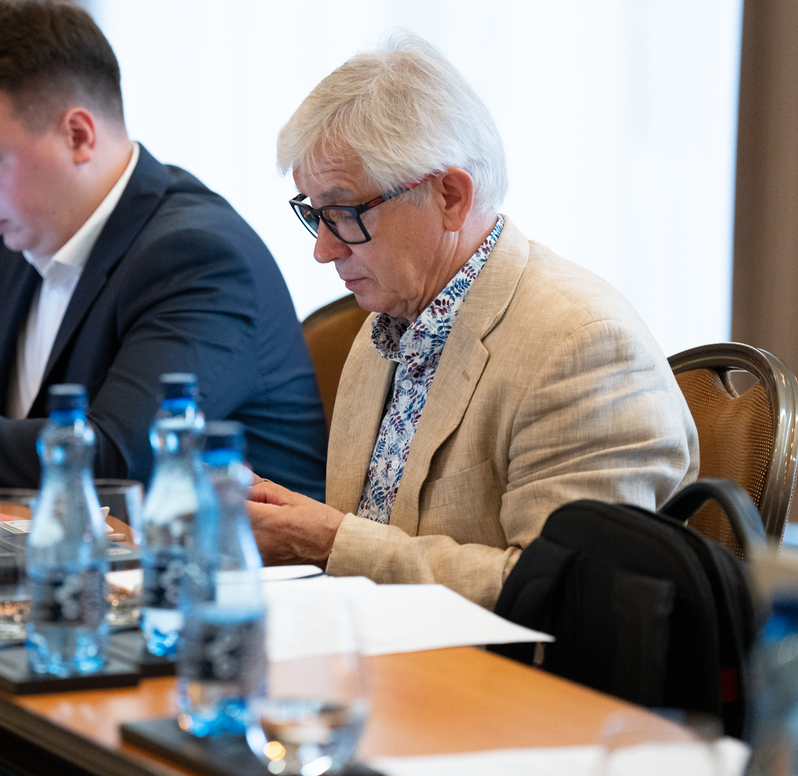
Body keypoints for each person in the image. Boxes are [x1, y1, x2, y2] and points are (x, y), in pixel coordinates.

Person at [246, 33, 699, 609]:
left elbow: (568, 599)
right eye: (316, 215)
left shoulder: (584, 346)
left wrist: (329, 542)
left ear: (450, 197)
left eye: (344, 213)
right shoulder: (385, 330)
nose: (323, 250)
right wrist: (286, 523)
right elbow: (371, 545)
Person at [0, 0, 327, 497]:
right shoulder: (34, 237)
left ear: (78, 135)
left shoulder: (199, 256)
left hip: (226, 546)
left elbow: (119, 459)